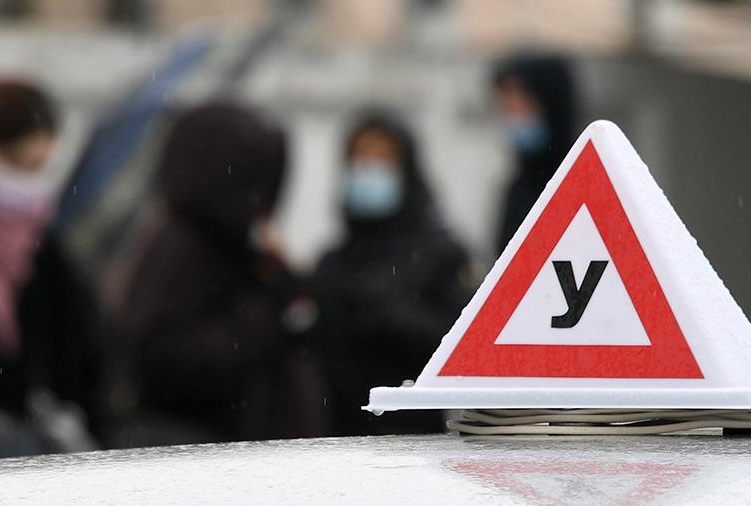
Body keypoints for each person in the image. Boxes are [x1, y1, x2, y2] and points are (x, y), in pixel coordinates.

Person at [112, 102, 326, 446]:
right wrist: (263, 316)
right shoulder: (186, 247)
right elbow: (166, 353)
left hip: (237, 446)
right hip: (201, 448)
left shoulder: (230, 240)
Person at [0, 77, 99, 462]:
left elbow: (79, 362)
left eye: (37, 167)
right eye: (14, 164)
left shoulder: (42, 247)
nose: (24, 183)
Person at [313, 111, 472, 436]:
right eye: (361, 158)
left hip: (415, 441)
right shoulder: (334, 261)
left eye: (382, 159)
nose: (369, 170)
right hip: (338, 440)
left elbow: (461, 346)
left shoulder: (442, 255)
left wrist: (394, 313)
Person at [492, 54, 575, 253]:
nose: (514, 118)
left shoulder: (584, 184)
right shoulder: (516, 192)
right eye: (507, 108)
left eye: (522, 105)